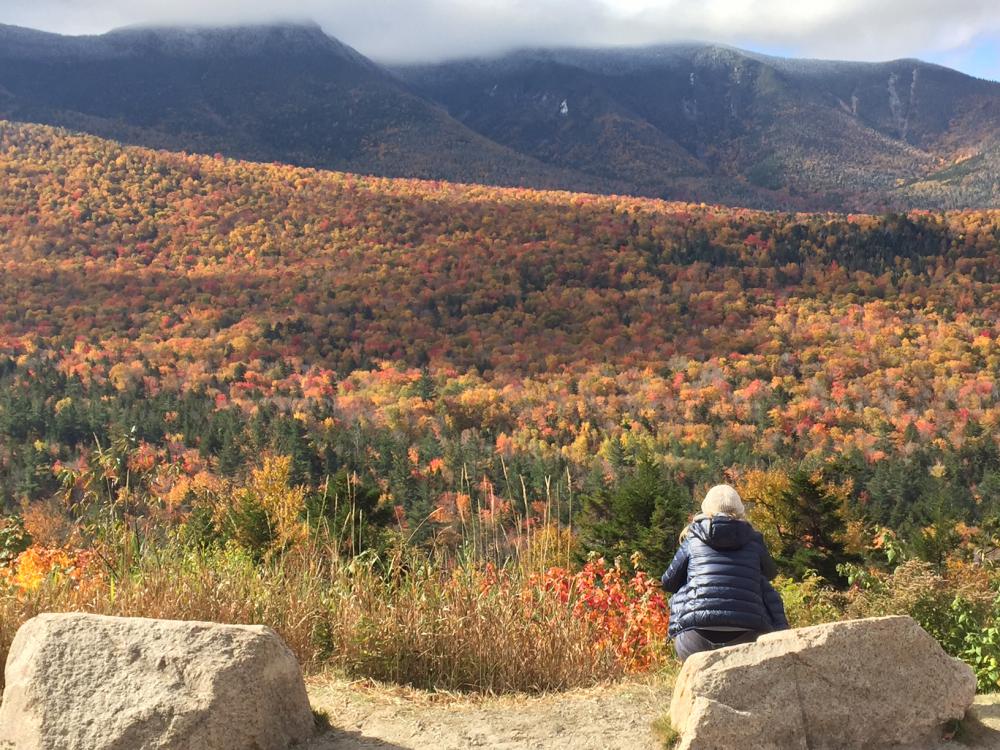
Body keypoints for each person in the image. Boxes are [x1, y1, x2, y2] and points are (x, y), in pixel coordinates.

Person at [661, 484, 788, 661]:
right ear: (740, 511)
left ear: (706, 509)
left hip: (694, 639)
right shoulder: (754, 540)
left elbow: (668, 582)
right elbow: (770, 574)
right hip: (747, 635)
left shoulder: (692, 539)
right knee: (760, 584)